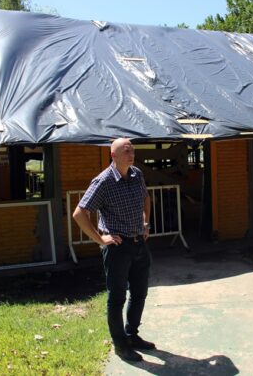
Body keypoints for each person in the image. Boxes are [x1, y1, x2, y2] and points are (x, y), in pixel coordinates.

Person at [73, 138, 154, 362]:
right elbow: (79, 213)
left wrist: (146, 223)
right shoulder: (104, 181)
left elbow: (146, 198)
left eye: (132, 150)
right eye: (126, 151)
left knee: (140, 293)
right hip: (118, 248)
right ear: (113, 155)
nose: (131, 154)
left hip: (139, 244)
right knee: (117, 297)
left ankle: (132, 335)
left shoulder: (137, 174)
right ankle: (120, 345)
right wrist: (100, 239)